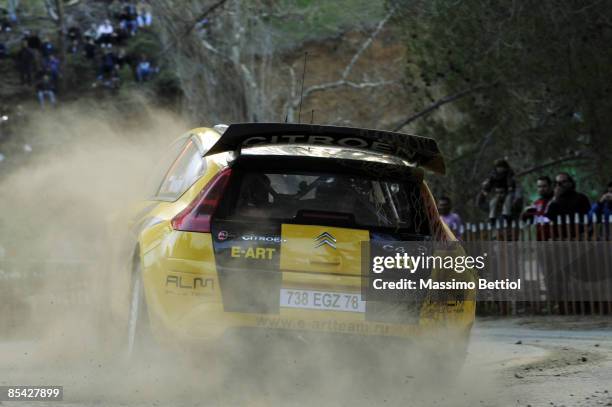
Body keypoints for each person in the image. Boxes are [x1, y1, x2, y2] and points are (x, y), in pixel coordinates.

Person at [477, 158, 522, 223]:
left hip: (511, 228)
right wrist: (484, 191)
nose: (499, 169)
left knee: (508, 203)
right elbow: (480, 203)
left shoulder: (513, 205)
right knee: (493, 202)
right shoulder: (495, 206)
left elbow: (518, 200)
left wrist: (512, 188)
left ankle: (506, 216)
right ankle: (492, 218)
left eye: (502, 192)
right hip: (499, 229)